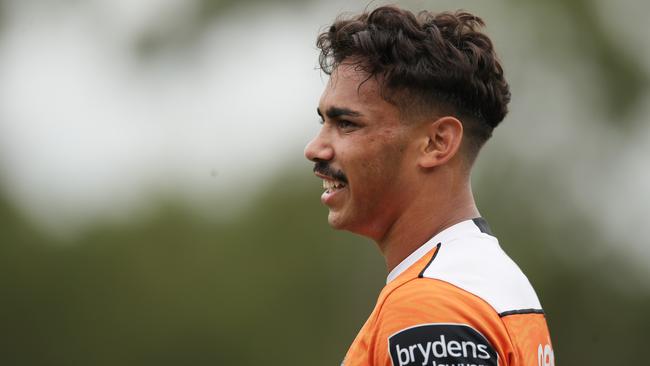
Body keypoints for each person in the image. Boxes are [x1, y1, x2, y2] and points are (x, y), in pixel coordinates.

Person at [304, 5, 554, 366]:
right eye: (323, 122)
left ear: (437, 143)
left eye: (346, 124)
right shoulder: (488, 278)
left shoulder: (431, 306)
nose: (314, 149)